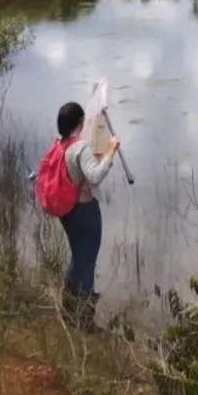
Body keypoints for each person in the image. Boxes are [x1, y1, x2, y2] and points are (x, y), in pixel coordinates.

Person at [55, 101, 119, 329]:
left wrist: (96, 156)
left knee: (78, 257)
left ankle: (68, 308)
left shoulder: (61, 144)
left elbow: (79, 170)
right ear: (80, 123)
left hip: (68, 212)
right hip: (84, 211)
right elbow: (94, 177)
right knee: (87, 262)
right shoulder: (80, 148)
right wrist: (111, 151)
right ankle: (83, 320)